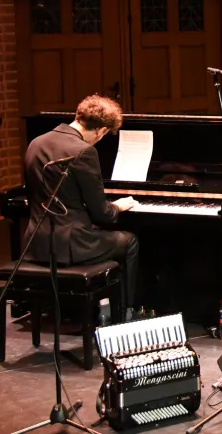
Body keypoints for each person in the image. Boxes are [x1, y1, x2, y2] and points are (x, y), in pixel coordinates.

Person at [23, 94, 140, 319]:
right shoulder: (84, 151)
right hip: (72, 245)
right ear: (101, 130)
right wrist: (118, 207)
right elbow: (102, 214)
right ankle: (125, 312)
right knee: (129, 241)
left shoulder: (36, 142)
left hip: (36, 242)